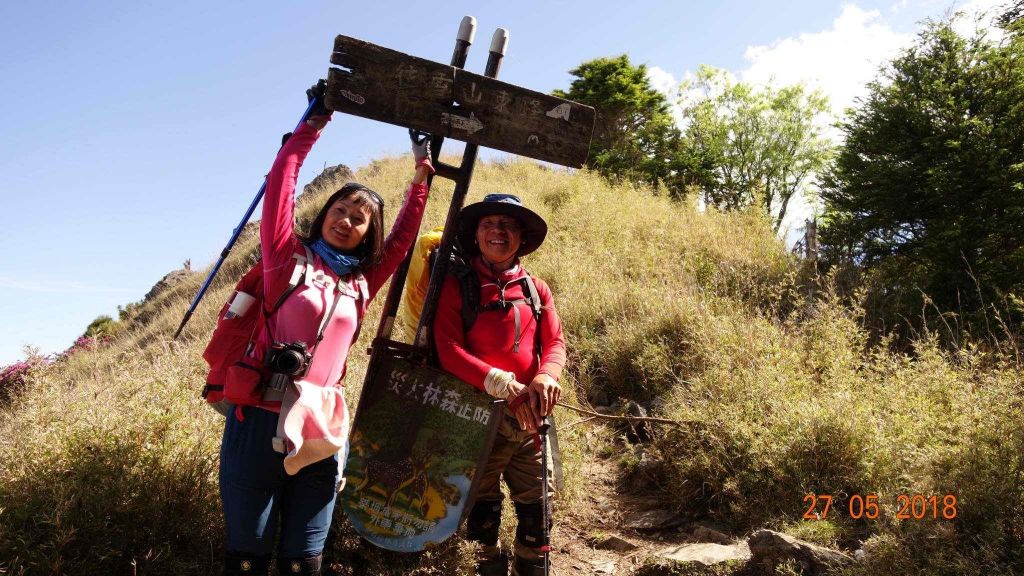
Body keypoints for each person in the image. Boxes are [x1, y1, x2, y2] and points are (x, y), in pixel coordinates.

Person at [218, 81, 434, 576]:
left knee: (305, 559)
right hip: (259, 418)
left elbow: (403, 240)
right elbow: (281, 186)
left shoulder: (362, 281)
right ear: (325, 215)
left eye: (360, 219)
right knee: (247, 557)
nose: (347, 221)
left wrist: (422, 172)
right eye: (340, 210)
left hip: (321, 426)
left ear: (367, 234)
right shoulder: (285, 258)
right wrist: (314, 124)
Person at [433, 194, 566, 576]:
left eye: (508, 225)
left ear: (521, 238)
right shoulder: (457, 286)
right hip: (475, 419)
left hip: (530, 422)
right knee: (481, 511)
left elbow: (555, 342)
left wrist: (546, 375)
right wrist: (495, 380)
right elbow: (448, 348)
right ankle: (487, 569)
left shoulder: (536, 289)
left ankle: (532, 568)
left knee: (538, 509)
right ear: (475, 235)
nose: (498, 231)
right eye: (488, 224)